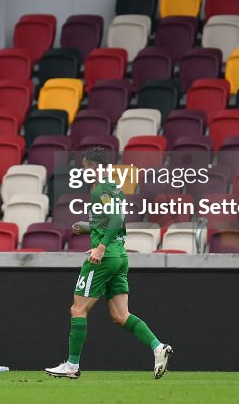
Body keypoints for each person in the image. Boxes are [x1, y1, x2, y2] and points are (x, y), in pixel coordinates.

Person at [45, 147, 172, 380]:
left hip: (105, 256)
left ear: (95, 166)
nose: (84, 171)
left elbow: (117, 218)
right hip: (121, 257)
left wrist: (100, 247)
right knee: (121, 315)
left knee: (78, 309)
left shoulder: (101, 189)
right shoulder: (114, 188)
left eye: (85, 167)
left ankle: (72, 365)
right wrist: (86, 225)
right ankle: (158, 347)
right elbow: (110, 220)